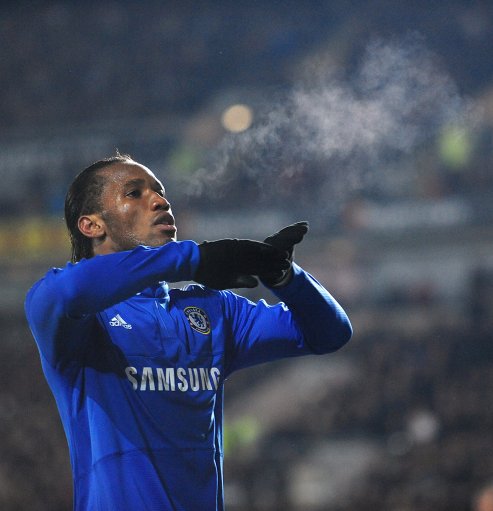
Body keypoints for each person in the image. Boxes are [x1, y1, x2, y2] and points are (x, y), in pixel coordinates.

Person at [25, 153, 352, 511]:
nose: (160, 201)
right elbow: (68, 292)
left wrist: (286, 277)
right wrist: (194, 259)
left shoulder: (213, 309)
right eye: (134, 193)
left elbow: (329, 332)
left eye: (160, 192)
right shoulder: (80, 318)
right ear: (91, 226)